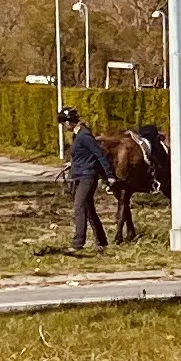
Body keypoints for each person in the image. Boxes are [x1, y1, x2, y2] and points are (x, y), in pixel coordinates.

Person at [60, 105, 107, 252]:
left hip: (88, 176)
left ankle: (78, 242)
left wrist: (110, 176)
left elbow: (98, 155)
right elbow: (83, 155)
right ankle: (102, 240)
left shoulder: (85, 136)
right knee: (88, 209)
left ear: (69, 122)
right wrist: (71, 164)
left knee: (79, 206)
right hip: (80, 174)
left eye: (64, 123)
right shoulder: (77, 135)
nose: (63, 126)